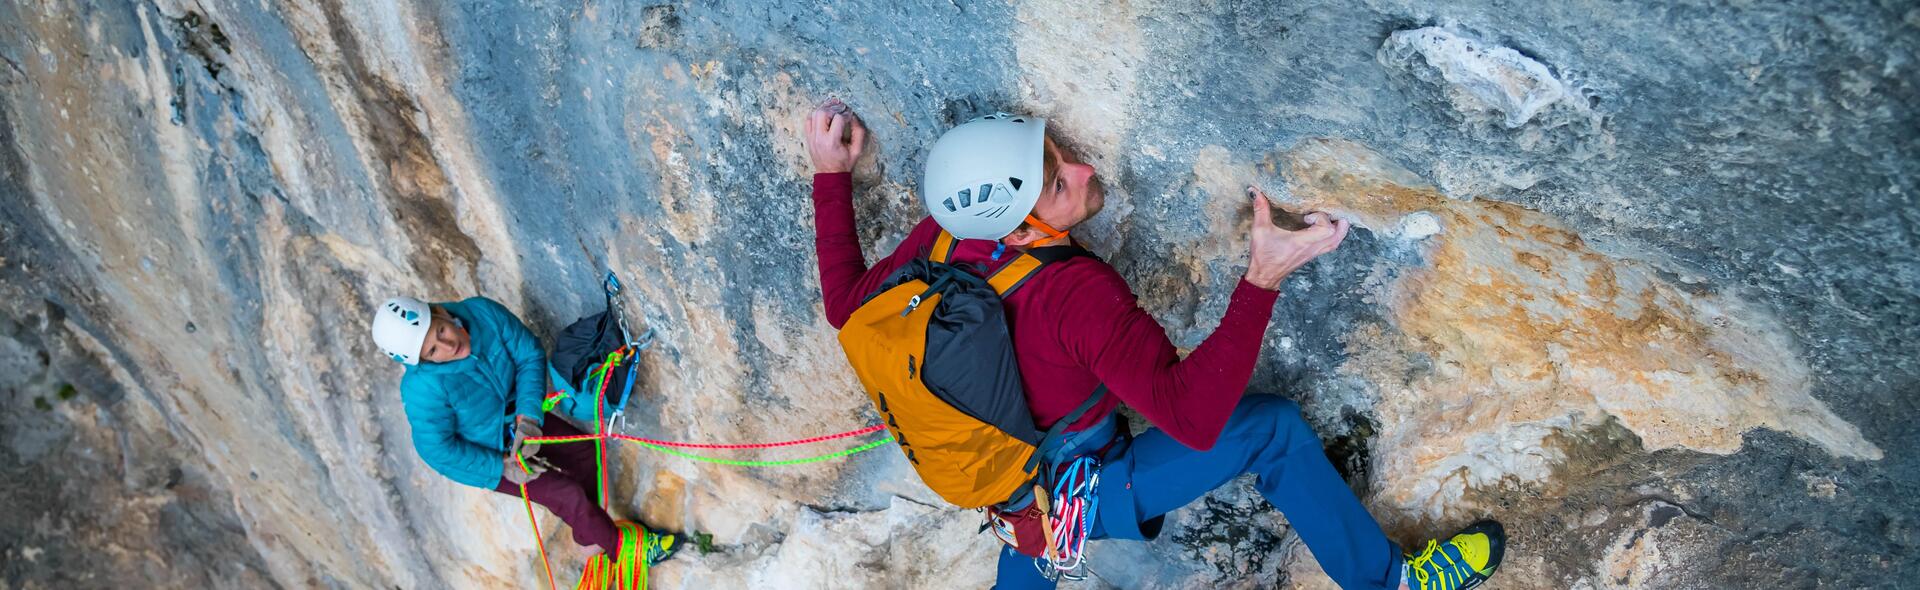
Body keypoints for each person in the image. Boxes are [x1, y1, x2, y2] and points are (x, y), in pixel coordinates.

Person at [801, 98, 1506, 590]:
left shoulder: (948, 230)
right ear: (1014, 231)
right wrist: (1262, 277)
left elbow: (846, 308)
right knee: (1271, 431)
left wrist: (829, 175)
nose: (1082, 172)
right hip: (1082, 490)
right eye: (1055, 184)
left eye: (1057, 156)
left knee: (1032, 542)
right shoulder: (1074, 296)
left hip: (1010, 486)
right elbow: (1191, 417)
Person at [368, 296, 675, 567]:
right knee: (566, 495)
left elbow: (528, 354)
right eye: (434, 350)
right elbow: (436, 450)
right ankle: (624, 550)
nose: (449, 346)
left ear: (439, 312)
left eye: (441, 331)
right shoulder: (422, 389)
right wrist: (501, 465)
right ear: (422, 361)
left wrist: (528, 418)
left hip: (521, 418)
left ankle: (591, 534)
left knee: (585, 453)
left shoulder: (482, 313)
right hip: (488, 453)